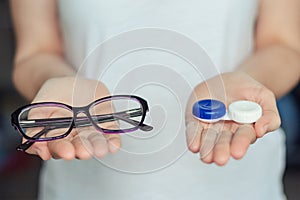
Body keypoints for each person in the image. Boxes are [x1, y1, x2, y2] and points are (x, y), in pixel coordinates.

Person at [10, 0, 300, 199]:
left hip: (241, 185)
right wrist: (61, 84)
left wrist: (247, 82)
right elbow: (34, 53)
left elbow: (283, 46)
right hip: (83, 184)